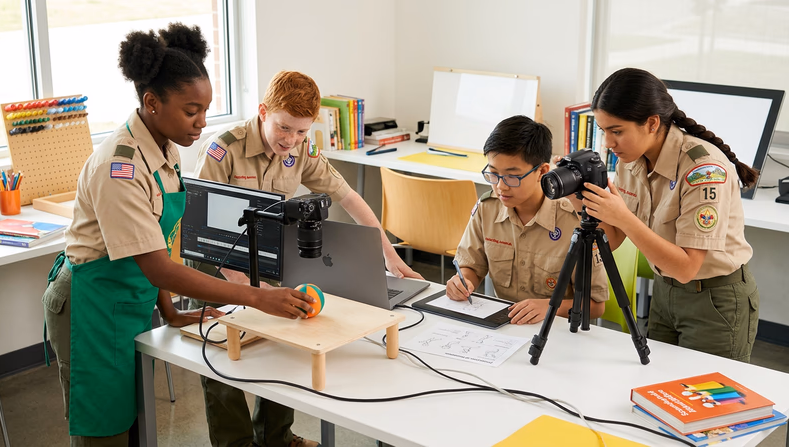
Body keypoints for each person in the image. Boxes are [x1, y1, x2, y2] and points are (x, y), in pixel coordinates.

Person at [41, 24, 315, 446]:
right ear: (152, 102)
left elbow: (153, 239)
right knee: (103, 431)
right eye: (192, 111)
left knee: (130, 421)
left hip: (128, 297)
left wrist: (169, 313)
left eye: (206, 110)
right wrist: (258, 297)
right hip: (90, 306)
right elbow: (156, 266)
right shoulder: (121, 167)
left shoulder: (163, 146)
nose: (201, 123)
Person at [191, 70, 422, 447]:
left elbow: (349, 198)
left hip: (267, 252)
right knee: (220, 349)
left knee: (285, 336)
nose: (291, 140)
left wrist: (390, 256)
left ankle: (276, 437)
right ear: (263, 111)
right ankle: (235, 443)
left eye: (301, 132)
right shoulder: (223, 148)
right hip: (216, 256)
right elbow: (201, 227)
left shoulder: (301, 149)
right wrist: (247, 290)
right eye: (284, 128)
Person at [580, 67, 759, 362]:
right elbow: (611, 241)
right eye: (604, 131)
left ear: (651, 123)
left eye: (617, 131)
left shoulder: (702, 170)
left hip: (714, 299)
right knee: (659, 386)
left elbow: (686, 268)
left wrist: (623, 216)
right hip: (664, 292)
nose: (609, 143)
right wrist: (584, 202)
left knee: (706, 398)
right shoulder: (631, 160)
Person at [446, 115, 608, 324]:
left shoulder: (574, 219)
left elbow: (595, 305)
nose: (500, 187)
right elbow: (472, 266)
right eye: (493, 174)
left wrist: (551, 307)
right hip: (505, 327)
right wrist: (463, 282)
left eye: (512, 177)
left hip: (558, 331)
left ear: (541, 171)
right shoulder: (488, 208)